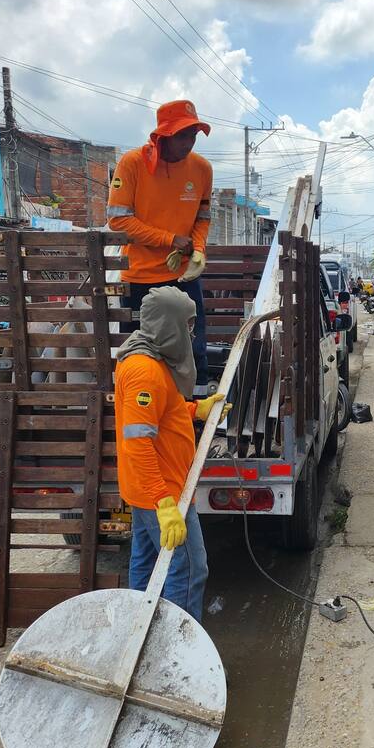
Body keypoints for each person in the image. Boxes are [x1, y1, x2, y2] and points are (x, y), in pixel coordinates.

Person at [114, 287, 228, 620]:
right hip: (162, 491)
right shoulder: (144, 371)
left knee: (148, 565)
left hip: (156, 487)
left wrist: (197, 411)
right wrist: (163, 503)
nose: (191, 332)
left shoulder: (155, 361)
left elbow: (167, 411)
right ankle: (178, 650)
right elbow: (137, 441)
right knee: (191, 568)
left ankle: (141, 636)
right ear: (168, 324)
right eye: (187, 324)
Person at [108, 99, 214, 397]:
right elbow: (118, 221)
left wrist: (199, 250)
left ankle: (196, 412)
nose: (189, 142)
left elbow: (203, 218)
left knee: (194, 347)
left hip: (182, 277)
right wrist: (170, 239)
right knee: (140, 352)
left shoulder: (202, 169)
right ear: (162, 135)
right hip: (140, 278)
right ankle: (138, 407)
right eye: (183, 135)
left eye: (193, 134)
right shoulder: (132, 163)